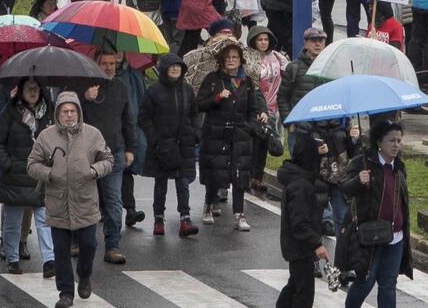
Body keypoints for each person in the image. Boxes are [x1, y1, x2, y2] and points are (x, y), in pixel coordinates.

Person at [28, 91, 113, 308]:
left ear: (78, 112)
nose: (68, 115)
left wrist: (94, 170)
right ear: (58, 113)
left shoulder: (93, 135)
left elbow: (109, 160)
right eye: (64, 111)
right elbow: (31, 165)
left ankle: (84, 275)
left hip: (85, 201)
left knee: (89, 244)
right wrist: (48, 174)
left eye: (72, 111)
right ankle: (66, 292)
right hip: (57, 202)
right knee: (61, 251)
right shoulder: (46, 137)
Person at [197, 39, 270, 230]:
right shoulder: (213, 79)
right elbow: (200, 104)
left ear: (240, 60)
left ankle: (239, 214)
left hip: (240, 135)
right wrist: (217, 97)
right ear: (222, 60)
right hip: (216, 133)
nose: (231, 60)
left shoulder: (246, 82)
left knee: (240, 174)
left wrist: (250, 126)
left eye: (235, 57)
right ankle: (208, 205)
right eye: (228, 57)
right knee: (216, 172)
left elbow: (253, 108)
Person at [340, 120, 414, 308]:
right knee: (364, 282)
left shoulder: (399, 166)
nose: (396, 145)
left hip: (395, 236)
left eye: (399, 140)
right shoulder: (363, 162)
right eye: (392, 140)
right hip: (370, 236)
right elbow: (345, 189)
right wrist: (358, 180)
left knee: (388, 285)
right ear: (380, 142)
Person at [79, 48, 137, 264]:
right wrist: (84, 98)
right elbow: (68, 113)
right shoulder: (83, 86)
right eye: (105, 63)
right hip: (86, 155)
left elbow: (128, 120)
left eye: (112, 63)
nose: (109, 67)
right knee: (85, 201)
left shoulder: (121, 88)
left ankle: (113, 245)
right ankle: (80, 242)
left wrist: (131, 148)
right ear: (96, 64)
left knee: (113, 201)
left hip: (114, 153)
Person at [0, 78, 56, 276]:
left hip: (40, 174)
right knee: (13, 220)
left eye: (36, 88)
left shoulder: (48, 113)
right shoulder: (10, 113)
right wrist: (8, 164)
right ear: (21, 91)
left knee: (44, 218)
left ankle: (49, 260)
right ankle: (12, 259)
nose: (33, 92)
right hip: (16, 174)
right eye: (29, 88)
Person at [139, 53, 201, 237]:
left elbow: (195, 114)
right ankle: (159, 219)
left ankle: (185, 219)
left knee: (183, 183)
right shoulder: (154, 91)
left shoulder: (188, 90)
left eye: (178, 66)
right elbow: (144, 117)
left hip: (184, 144)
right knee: (161, 184)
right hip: (162, 146)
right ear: (164, 69)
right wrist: (155, 139)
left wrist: (196, 133)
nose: (175, 69)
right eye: (171, 66)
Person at [278, 130, 334, 308]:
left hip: (296, 246)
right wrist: (316, 244)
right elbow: (300, 223)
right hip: (300, 247)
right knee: (304, 292)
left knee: (295, 284)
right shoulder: (301, 186)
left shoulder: (298, 179)